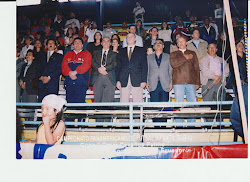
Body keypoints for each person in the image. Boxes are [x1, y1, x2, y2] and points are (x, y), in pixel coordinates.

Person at [170, 37, 200, 122]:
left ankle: (191, 125)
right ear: (177, 44)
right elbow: (174, 64)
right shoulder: (173, 54)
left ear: (186, 43)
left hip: (191, 81)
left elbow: (196, 68)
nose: (181, 43)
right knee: (179, 104)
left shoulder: (192, 53)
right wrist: (185, 57)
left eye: (182, 41)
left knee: (192, 105)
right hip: (178, 82)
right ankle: (179, 125)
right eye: (179, 42)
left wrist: (197, 82)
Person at [116, 33, 148, 103]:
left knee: (138, 102)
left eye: (131, 36)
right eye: (128, 37)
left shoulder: (141, 50)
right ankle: (124, 114)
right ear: (126, 39)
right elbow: (118, 66)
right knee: (123, 102)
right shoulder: (121, 51)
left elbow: (144, 66)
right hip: (123, 79)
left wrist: (144, 80)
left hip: (137, 79)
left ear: (135, 39)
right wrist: (118, 80)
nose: (129, 38)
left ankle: (139, 114)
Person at [61, 37, 92, 103]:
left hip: (81, 82)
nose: (77, 44)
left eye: (79, 43)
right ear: (73, 45)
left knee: (80, 103)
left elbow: (86, 65)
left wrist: (75, 72)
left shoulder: (87, 54)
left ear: (82, 45)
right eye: (75, 43)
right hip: (69, 82)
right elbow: (64, 66)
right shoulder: (68, 54)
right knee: (69, 102)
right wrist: (69, 73)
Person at [91, 37, 117, 102]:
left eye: (108, 41)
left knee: (109, 100)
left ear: (110, 43)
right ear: (101, 43)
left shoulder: (115, 54)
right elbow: (92, 62)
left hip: (109, 76)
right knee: (97, 99)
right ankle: (97, 112)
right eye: (104, 41)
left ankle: (107, 112)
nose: (105, 42)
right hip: (97, 76)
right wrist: (99, 69)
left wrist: (105, 68)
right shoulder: (95, 53)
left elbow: (114, 63)